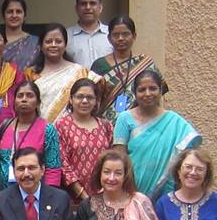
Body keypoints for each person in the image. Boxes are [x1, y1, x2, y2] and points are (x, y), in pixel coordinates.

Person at [112, 69, 200, 200]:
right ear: (135, 93)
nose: (147, 94)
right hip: (132, 192)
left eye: (153, 88)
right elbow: (119, 159)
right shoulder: (124, 119)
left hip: (165, 193)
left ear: (160, 91)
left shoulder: (174, 121)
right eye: (142, 90)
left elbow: (189, 151)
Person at [90, 15, 165, 121]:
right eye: (116, 35)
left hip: (140, 123)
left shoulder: (144, 64)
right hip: (105, 125)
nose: (121, 38)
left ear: (134, 36)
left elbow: (157, 98)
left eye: (125, 34)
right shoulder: (99, 65)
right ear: (109, 38)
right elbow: (91, 98)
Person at [55, 79, 113, 208]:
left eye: (90, 97)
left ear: (96, 101)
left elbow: (112, 159)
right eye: (80, 96)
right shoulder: (62, 126)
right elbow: (63, 164)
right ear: (71, 99)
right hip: (72, 200)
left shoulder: (105, 126)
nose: (85, 101)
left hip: (104, 197)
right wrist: (83, 196)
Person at [24, 23, 99, 123]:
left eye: (58, 41)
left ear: (65, 45)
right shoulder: (30, 74)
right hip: (40, 131)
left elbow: (97, 93)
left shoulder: (79, 72)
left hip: (73, 131)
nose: (53, 45)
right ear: (41, 46)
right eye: (48, 41)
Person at [0, 81, 61, 189]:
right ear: (14, 101)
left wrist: (48, 198)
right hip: (4, 197)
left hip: (35, 197)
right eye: (20, 96)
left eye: (29, 95)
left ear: (38, 102)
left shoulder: (47, 130)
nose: (24, 99)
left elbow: (53, 169)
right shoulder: (4, 126)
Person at [66, 0, 112, 68]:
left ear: (100, 7)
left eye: (92, 3)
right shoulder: (65, 36)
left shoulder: (112, 34)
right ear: (76, 8)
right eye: (83, 4)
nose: (88, 7)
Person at [1, 0, 40, 73]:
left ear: (24, 16)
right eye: (10, 12)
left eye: (18, 12)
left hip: (26, 84)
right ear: (3, 15)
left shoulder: (35, 42)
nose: (14, 15)